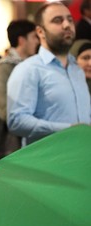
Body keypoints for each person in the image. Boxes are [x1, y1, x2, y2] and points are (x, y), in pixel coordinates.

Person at [7, 1, 91, 146]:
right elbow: (17, 121)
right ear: (40, 32)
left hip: (81, 156)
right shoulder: (29, 69)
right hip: (49, 160)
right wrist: (67, 129)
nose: (66, 25)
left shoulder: (77, 69)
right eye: (57, 20)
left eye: (70, 20)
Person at [0, 19, 39, 160]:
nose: (37, 41)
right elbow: (4, 111)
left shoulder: (34, 66)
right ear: (22, 40)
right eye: (34, 37)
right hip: (13, 143)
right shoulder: (4, 68)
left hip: (32, 139)